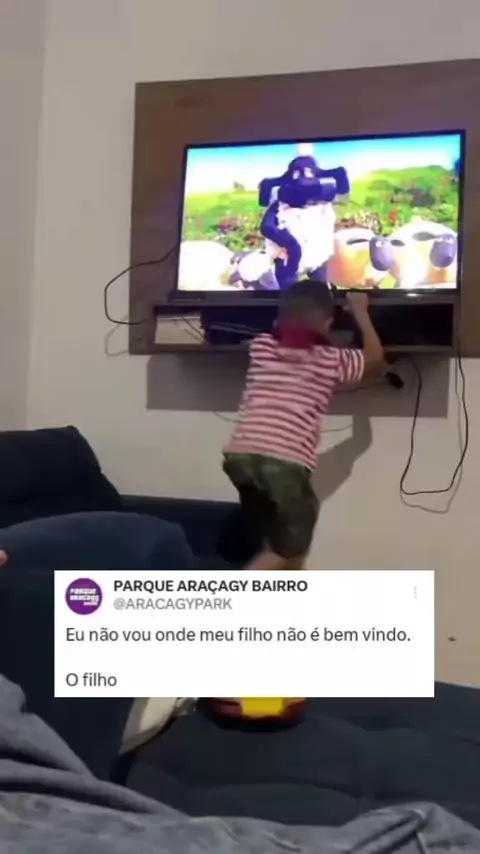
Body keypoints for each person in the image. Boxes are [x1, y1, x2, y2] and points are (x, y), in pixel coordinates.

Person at [223, 280, 384, 570]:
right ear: (328, 323)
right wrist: (361, 312)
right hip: (284, 461)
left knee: (273, 538)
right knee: (289, 546)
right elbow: (374, 360)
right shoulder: (330, 359)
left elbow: (283, 340)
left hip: (240, 458)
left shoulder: (261, 346)